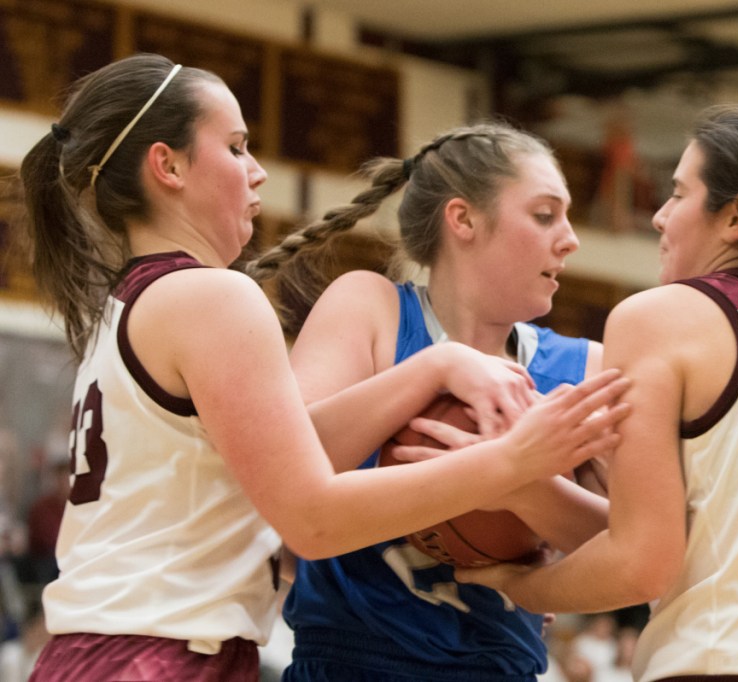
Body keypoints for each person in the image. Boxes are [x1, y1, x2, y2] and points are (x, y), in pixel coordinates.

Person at [16, 53, 629, 681]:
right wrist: (508, 464)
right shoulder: (216, 298)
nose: (256, 172)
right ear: (167, 165)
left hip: (111, 646)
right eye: (235, 147)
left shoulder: (129, 304)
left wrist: (538, 568)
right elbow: (310, 518)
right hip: (162, 654)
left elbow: (283, 488)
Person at [460, 103, 738, 682]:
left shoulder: (664, 317)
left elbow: (641, 564)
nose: (660, 217)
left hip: (723, 666)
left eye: (678, 193)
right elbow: (712, 531)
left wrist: (513, 585)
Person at [244, 121, 615, 681]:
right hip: (348, 663)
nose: (570, 238)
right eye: (544, 215)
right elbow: (282, 470)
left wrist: (521, 488)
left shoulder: (584, 367)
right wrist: (433, 367)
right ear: (463, 218)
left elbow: (631, 555)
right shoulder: (370, 307)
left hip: (499, 669)